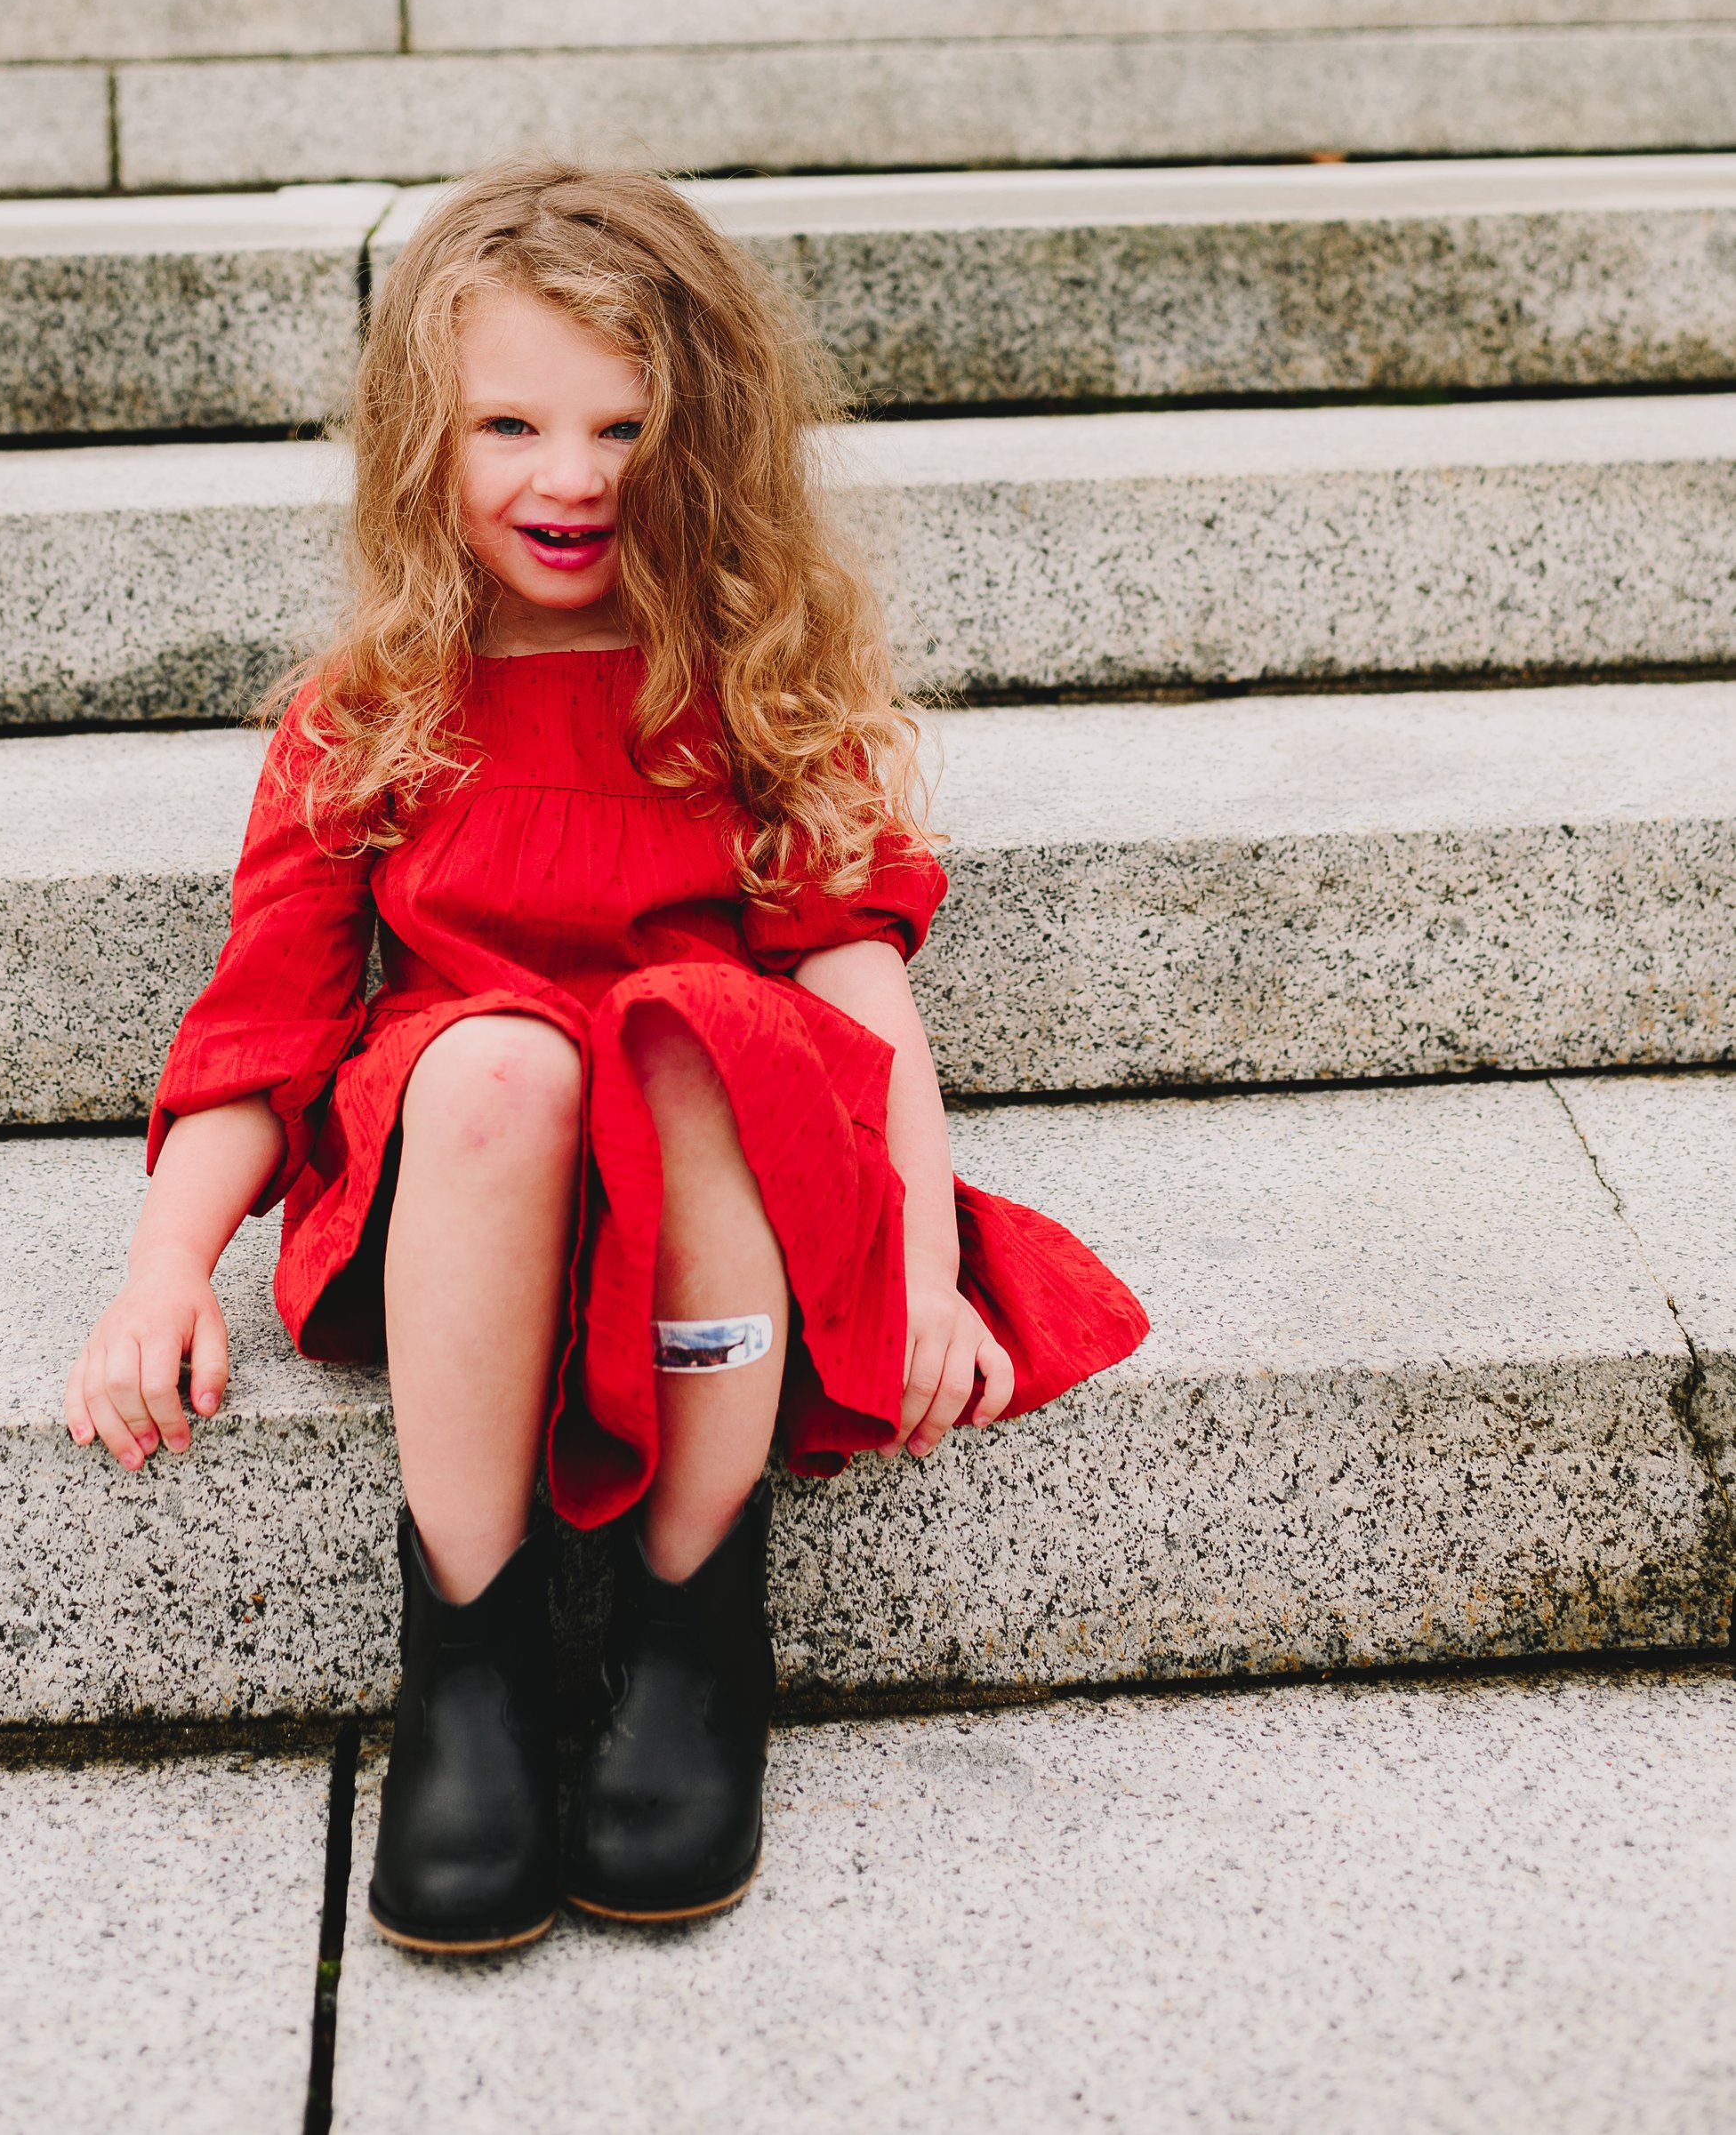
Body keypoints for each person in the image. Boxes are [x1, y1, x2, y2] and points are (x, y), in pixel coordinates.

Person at [66, 161, 1146, 1954]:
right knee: (500, 1059)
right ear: (422, 437)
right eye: (509, 422)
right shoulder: (376, 709)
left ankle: (689, 1616)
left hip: (712, 1190)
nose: (567, 477)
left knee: (696, 1028)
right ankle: (470, 1652)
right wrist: (163, 1269)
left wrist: (928, 1272)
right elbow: (259, 1026)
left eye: (621, 426)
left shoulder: (746, 689)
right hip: (468, 1188)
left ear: (703, 439)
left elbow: (859, 999)